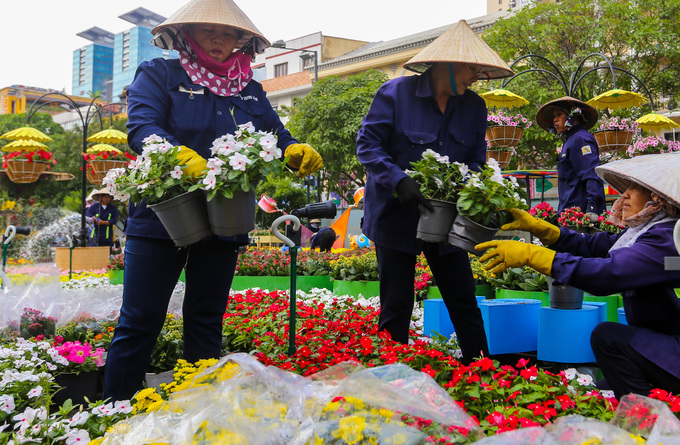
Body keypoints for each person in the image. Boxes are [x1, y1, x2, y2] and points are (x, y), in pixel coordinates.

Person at [103, 0, 323, 402]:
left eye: (230, 34)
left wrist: (294, 149)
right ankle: (114, 411)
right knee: (140, 321)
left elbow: (276, 133)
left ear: (242, 42)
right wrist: (176, 154)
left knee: (206, 321)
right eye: (209, 31)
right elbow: (141, 127)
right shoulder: (160, 73)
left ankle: (198, 410)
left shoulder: (250, 90)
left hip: (225, 219)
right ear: (187, 35)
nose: (220, 40)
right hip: (163, 217)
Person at [356, 20, 513, 363]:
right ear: (449, 63)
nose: (476, 76)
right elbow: (368, 147)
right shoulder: (395, 94)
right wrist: (398, 180)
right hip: (394, 216)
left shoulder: (474, 106)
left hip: (446, 219)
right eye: (472, 68)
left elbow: (475, 160)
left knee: (462, 296)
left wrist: (478, 193)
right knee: (397, 302)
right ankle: (390, 374)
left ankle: (483, 370)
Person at [475, 153, 680, 399]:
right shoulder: (648, 231)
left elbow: (608, 274)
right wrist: (542, 229)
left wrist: (535, 255)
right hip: (667, 340)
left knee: (607, 337)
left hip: (675, 347)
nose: (623, 196)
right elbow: (595, 246)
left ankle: (650, 417)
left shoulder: (666, 238)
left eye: (634, 189)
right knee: (605, 385)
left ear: (657, 198)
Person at [535, 96, 606, 217]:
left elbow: (592, 175)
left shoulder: (580, 138)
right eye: (554, 117)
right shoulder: (570, 139)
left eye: (559, 114)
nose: (555, 120)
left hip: (581, 217)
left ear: (572, 115)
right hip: (569, 214)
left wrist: (592, 208)